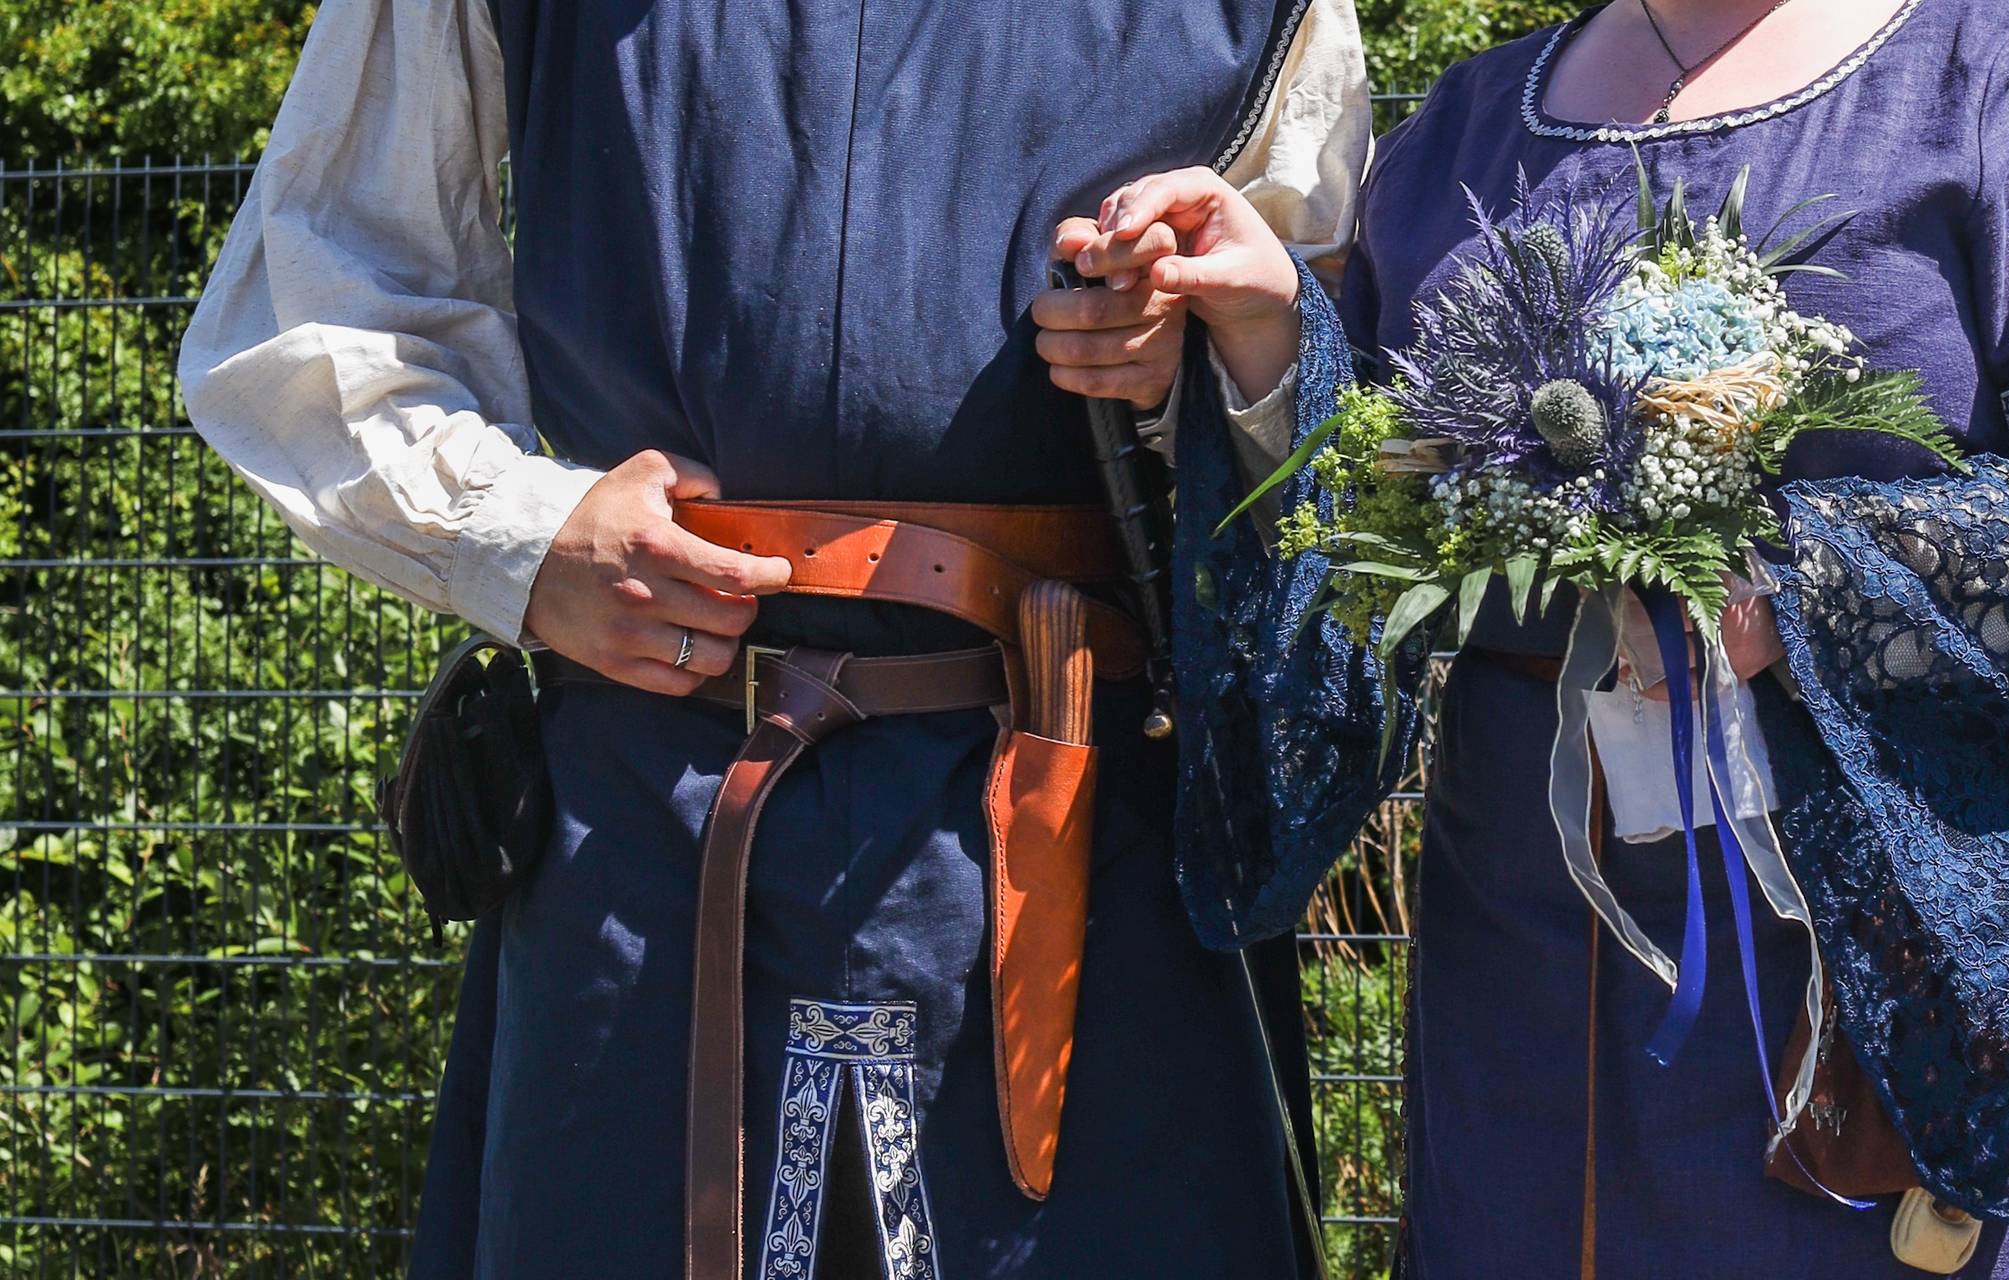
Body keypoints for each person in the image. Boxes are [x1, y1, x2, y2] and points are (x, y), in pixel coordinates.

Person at [175, 0, 1381, 1275]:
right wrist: (524, 539)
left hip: (1072, 833)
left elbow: (1327, 417)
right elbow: (321, 293)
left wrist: (1201, 341)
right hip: (642, 819)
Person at [1088, 0, 2009, 1274]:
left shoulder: (2000, 78)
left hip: (1885, 981)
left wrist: (1804, 579)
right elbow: (1366, 540)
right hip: (1525, 972)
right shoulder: (1468, 128)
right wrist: (1272, 340)